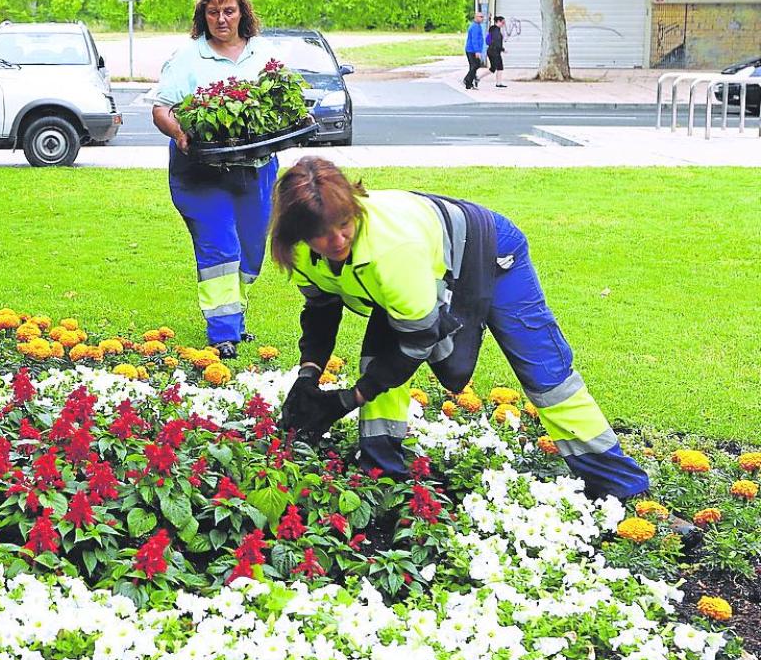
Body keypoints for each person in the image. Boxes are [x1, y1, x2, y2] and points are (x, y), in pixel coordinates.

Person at [270, 156, 652, 502]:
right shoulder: (300, 250)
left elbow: (416, 341)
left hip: (491, 250)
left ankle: (620, 484)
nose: (336, 240)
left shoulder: (392, 250)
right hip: (423, 265)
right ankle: (381, 473)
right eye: (322, 234)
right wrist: (309, 375)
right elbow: (321, 308)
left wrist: (348, 400)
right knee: (377, 361)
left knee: (545, 374)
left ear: (355, 208)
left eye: (344, 224)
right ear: (298, 235)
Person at [151, 0, 282, 359]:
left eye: (228, 10)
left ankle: (234, 318)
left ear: (243, 13)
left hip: (255, 169)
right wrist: (180, 133)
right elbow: (161, 109)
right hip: (201, 172)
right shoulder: (188, 58)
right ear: (202, 16)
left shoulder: (263, 52)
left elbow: (282, 100)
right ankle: (222, 333)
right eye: (213, 12)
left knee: (251, 251)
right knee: (220, 248)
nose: (221, 19)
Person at [464, 11, 485, 90]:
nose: (482, 18)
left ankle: (469, 84)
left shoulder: (478, 25)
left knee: (473, 66)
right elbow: (474, 40)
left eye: (482, 17)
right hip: (471, 50)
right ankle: (467, 80)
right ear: (476, 17)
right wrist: (477, 51)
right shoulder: (475, 27)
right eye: (480, 17)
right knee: (476, 65)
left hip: (473, 50)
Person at [487, 15, 507, 88]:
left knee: (500, 67)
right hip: (493, 52)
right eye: (503, 22)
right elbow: (496, 42)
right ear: (498, 22)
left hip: (495, 51)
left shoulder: (496, 29)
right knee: (493, 68)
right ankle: (477, 78)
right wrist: (502, 49)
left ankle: (499, 83)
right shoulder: (495, 30)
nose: (503, 24)